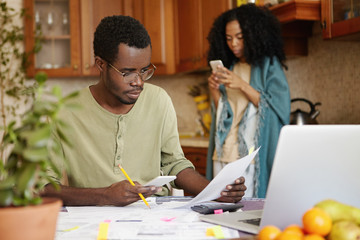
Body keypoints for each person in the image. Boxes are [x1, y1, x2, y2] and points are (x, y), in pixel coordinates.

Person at [42, 15, 246, 206]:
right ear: (101, 64)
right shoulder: (64, 112)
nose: (138, 82)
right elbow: (44, 187)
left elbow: (175, 164)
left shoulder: (158, 100)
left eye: (144, 70)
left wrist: (215, 190)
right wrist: (105, 195)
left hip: (153, 215)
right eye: (127, 72)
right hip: (94, 220)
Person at [206, 4, 291, 198]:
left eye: (239, 37)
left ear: (253, 35)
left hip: (250, 157)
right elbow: (225, 114)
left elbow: (279, 108)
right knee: (220, 210)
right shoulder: (230, 67)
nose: (233, 44)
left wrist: (242, 85)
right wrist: (214, 92)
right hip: (223, 153)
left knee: (246, 213)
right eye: (228, 39)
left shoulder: (268, 65)